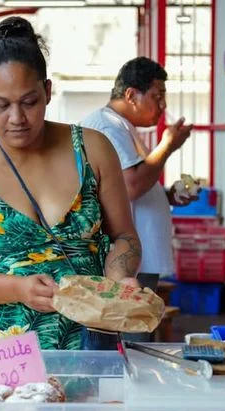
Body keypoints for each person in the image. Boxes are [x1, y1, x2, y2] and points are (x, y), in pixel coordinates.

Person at [0, 17, 141, 350]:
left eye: (29, 102)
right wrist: (17, 289)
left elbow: (125, 237)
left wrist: (120, 279)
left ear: (48, 91)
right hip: (8, 357)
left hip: (93, 342)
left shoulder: (92, 149)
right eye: (1, 105)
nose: (17, 118)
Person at [81, 57, 195, 292]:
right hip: (126, 261)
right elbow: (131, 185)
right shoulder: (106, 126)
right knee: (132, 323)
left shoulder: (119, 125)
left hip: (136, 257)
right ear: (131, 95)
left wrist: (165, 195)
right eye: (157, 96)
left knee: (139, 324)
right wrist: (168, 146)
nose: (163, 105)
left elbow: (124, 185)